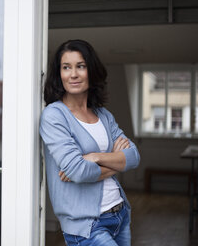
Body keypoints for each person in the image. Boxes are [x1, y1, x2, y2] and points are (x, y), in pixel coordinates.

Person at [39, 39, 140, 246]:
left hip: (119, 213)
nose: (73, 74)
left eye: (80, 66)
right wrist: (115, 163)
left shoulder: (103, 115)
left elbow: (134, 156)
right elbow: (77, 171)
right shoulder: (54, 116)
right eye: (66, 67)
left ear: (91, 71)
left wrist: (95, 157)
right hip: (87, 225)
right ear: (59, 74)